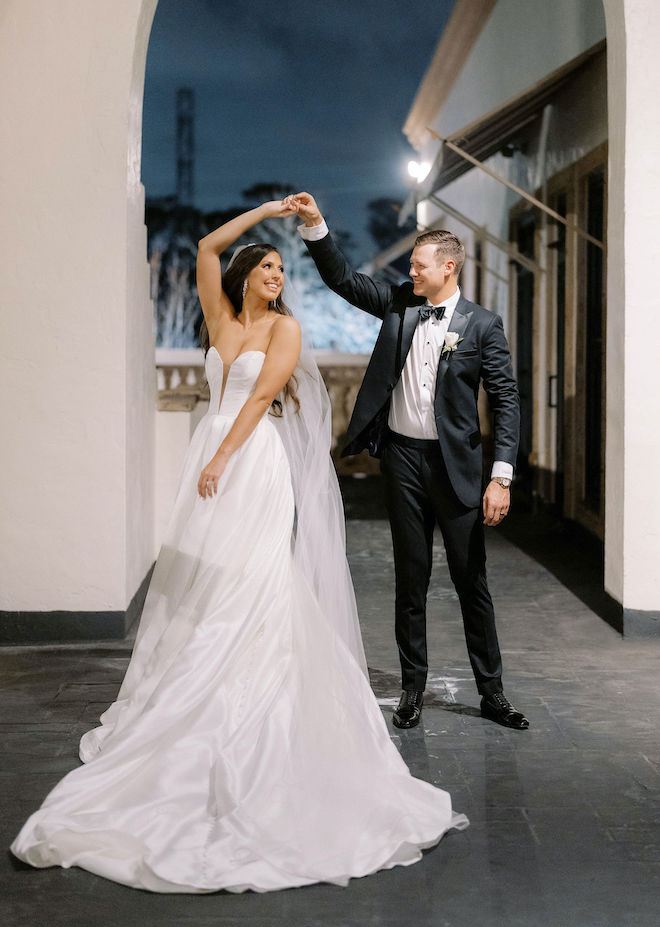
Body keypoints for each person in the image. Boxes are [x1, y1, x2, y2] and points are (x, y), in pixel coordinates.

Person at [10, 201, 467, 893]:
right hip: (212, 456)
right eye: (270, 265)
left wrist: (220, 458)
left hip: (250, 463)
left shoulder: (285, 329)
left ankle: (249, 698)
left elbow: (259, 402)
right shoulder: (222, 320)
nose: (280, 275)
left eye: (285, 267)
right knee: (198, 586)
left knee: (254, 580)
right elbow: (203, 245)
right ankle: (188, 692)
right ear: (247, 275)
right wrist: (269, 211)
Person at [287, 191, 529, 733]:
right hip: (402, 461)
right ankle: (411, 690)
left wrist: (501, 477)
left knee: (472, 582)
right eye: (410, 266)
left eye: (418, 266)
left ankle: (492, 693)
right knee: (410, 580)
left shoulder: (483, 325)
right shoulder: (400, 303)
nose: (410, 272)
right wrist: (317, 225)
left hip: (459, 468)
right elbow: (344, 280)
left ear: (448, 268)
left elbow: (506, 400)